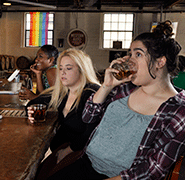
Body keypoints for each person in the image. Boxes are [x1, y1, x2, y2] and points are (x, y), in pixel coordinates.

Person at [46, 20, 185, 180]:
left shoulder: (179, 111)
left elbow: (151, 171)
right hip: (85, 163)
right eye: (130, 54)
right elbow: (88, 117)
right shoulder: (124, 88)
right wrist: (106, 86)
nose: (129, 60)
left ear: (160, 62)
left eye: (138, 54)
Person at [26, 48, 101, 179]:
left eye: (68, 68)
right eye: (60, 68)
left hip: (85, 155)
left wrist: (68, 151)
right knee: (35, 173)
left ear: (81, 70)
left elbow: (92, 132)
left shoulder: (91, 93)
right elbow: (33, 103)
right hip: (63, 149)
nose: (62, 73)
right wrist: (31, 111)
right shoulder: (63, 92)